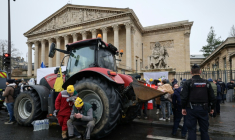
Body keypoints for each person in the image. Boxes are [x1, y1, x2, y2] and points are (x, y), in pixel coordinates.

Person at [180, 64, 216, 140]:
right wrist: (212, 107)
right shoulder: (207, 83)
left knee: (191, 130)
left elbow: (183, 97)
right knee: (204, 131)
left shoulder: (187, 83)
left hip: (191, 109)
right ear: (200, 72)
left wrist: (183, 108)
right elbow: (212, 97)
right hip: (204, 108)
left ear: (191, 72)